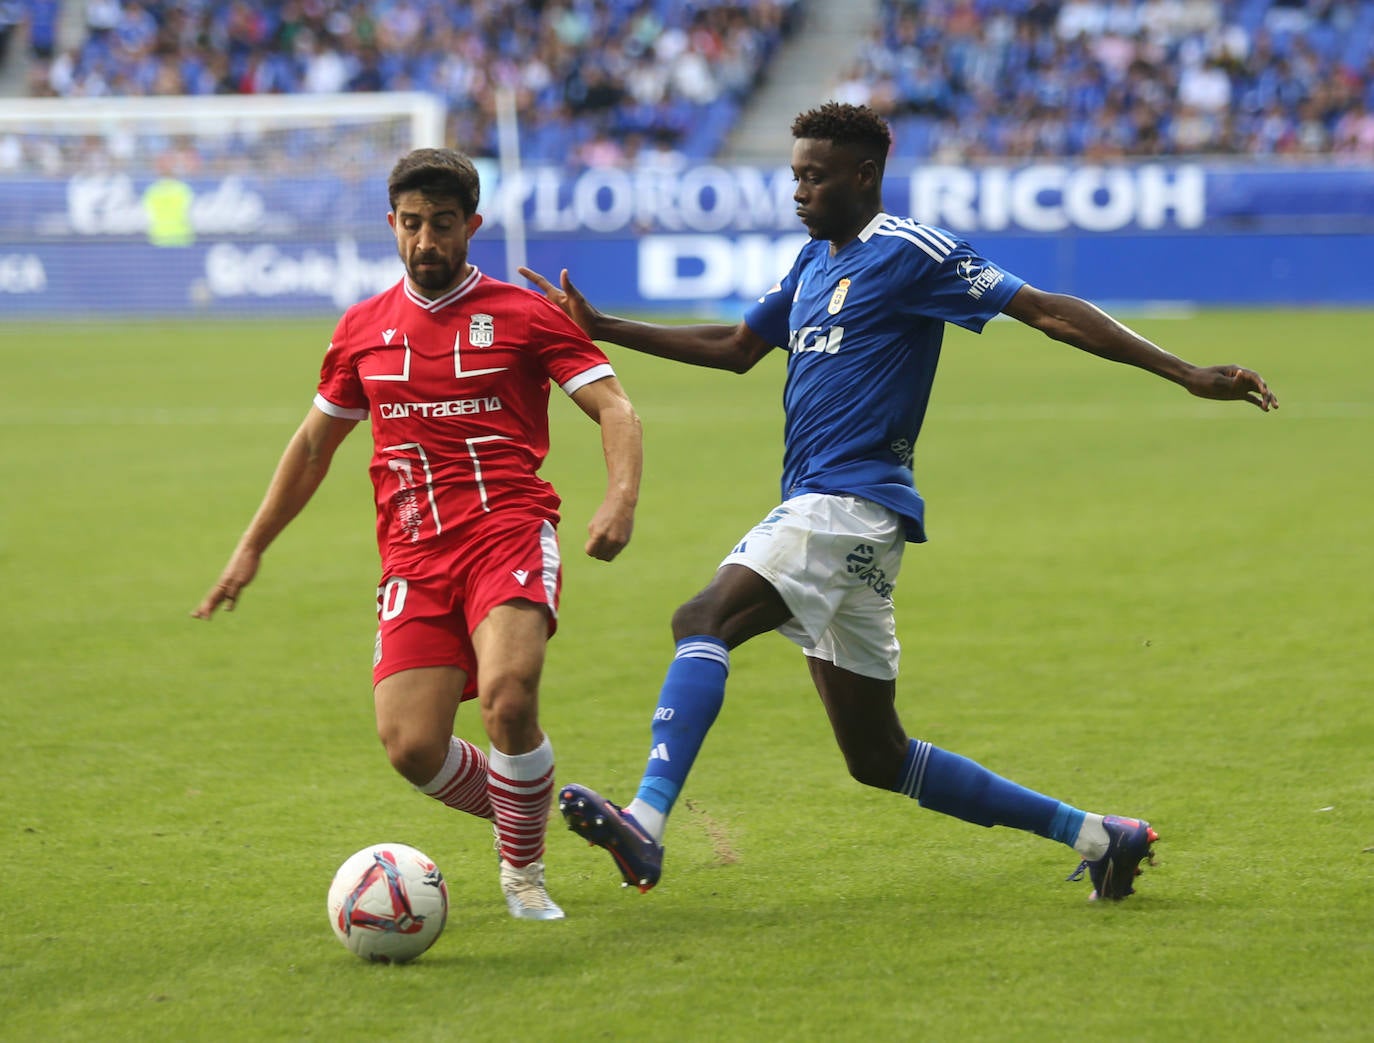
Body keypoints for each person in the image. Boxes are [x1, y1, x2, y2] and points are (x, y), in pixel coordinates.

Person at [520, 102, 1278, 902]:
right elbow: (738, 348)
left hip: (847, 500)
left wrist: (1187, 372)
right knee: (877, 757)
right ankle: (1104, 837)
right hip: (845, 519)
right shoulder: (812, 263)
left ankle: (646, 817)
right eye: (794, 176)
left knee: (700, 619)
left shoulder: (913, 251)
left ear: (864, 175)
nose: (799, 192)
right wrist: (604, 326)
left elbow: (1049, 310)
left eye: (814, 177)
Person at [194, 147, 643, 921]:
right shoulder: (363, 328)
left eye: (441, 224)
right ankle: (533, 805)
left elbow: (615, 407)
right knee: (411, 746)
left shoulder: (523, 315)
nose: (425, 241)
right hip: (413, 553)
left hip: (507, 532)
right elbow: (312, 446)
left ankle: (523, 873)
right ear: (391, 225)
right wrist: (251, 545)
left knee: (508, 698)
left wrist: (620, 499)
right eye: (410, 225)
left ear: (472, 225)